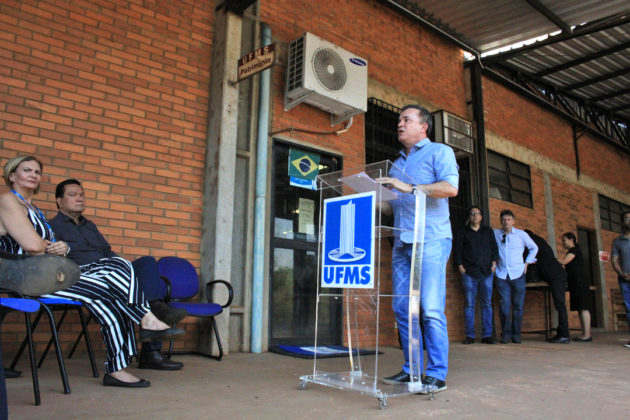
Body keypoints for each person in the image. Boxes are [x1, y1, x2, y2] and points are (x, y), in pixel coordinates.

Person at [0, 156, 184, 388]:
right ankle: (146, 318)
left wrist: (63, 247)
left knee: (114, 287)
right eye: (26, 170)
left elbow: (45, 245)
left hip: (44, 276)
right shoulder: (7, 200)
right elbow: (33, 245)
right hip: (24, 281)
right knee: (116, 279)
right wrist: (53, 247)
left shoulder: (32, 208)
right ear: (12, 175)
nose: (33, 174)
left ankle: (118, 367)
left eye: (37, 171)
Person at [49, 178, 187, 370]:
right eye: (73, 195)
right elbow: (52, 260)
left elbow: (107, 251)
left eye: (82, 195)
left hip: (111, 269)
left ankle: (154, 308)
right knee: (128, 277)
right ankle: (151, 349)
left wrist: (124, 268)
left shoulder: (90, 226)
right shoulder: (51, 227)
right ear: (59, 201)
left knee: (146, 263)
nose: (79, 199)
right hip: (86, 277)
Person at [377, 104, 458, 394]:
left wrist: (409, 187)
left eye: (406, 119)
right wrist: (376, 199)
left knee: (430, 309)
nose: (400, 123)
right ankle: (412, 370)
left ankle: (436, 374)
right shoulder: (397, 163)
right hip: (401, 242)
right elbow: (393, 206)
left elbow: (450, 188)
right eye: (399, 120)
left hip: (432, 239)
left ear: (423, 127)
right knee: (402, 307)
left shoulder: (440, 152)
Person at [453, 206, 498, 344]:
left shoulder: (488, 231)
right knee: (469, 305)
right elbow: (457, 250)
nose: (475, 216)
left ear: (481, 216)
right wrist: (460, 266)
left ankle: (487, 335)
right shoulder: (462, 232)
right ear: (469, 216)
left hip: (486, 272)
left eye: (477, 214)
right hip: (469, 273)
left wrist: (494, 264)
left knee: (486, 304)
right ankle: (470, 336)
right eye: (472, 214)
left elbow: (494, 248)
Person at [494, 210, 538, 344]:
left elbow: (534, 248)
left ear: (513, 221)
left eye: (508, 219)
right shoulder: (496, 233)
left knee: (518, 306)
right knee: (504, 305)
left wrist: (527, 262)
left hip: (518, 274)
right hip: (501, 274)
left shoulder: (521, 234)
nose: (506, 222)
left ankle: (516, 334)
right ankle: (506, 334)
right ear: (500, 221)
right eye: (503, 219)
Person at [523, 230, 570, 343]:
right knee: (560, 305)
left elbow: (525, 258)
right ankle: (562, 333)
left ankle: (564, 335)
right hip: (557, 274)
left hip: (555, 276)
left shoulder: (532, 244)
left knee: (560, 305)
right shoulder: (540, 241)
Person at [558, 232, 592, 342]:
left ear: (571, 239)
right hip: (575, 282)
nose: (563, 243)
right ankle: (585, 334)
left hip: (580, 282)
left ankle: (587, 335)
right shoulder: (572, 251)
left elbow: (564, 261)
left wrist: (551, 259)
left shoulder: (574, 250)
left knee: (583, 307)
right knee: (580, 308)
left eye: (564, 240)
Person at [611, 210, 630, 348]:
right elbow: (614, 259)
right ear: (622, 222)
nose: (629, 220)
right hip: (625, 279)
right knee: (629, 309)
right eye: (627, 218)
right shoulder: (618, 241)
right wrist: (622, 273)